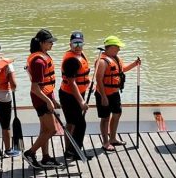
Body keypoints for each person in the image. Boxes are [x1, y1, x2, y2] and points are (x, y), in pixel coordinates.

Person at [95, 36, 140, 151]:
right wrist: (103, 97)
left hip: (115, 93)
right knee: (105, 118)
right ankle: (105, 142)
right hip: (103, 94)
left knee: (117, 114)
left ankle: (113, 138)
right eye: (117, 47)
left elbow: (122, 70)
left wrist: (134, 64)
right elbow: (98, 79)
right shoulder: (102, 61)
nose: (119, 49)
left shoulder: (116, 58)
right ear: (111, 47)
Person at [24, 29, 60, 170]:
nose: (52, 44)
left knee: (45, 129)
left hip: (45, 97)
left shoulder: (44, 56)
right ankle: (30, 153)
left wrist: (53, 99)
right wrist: (48, 101)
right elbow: (35, 88)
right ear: (42, 43)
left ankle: (46, 158)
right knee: (52, 130)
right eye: (50, 42)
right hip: (40, 99)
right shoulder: (38, 61)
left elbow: (46, 85)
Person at [59, 31, 91, 161]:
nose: (78, 46)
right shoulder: (71, 59)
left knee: (73, 123)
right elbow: (72, 83)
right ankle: (75, 151)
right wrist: (82, 102)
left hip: (77, 94)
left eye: (80, 43)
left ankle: (70, 151)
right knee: (79, 124)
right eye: (75, 43)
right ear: (70, 44)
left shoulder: (80, 55)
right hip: (69, 96)